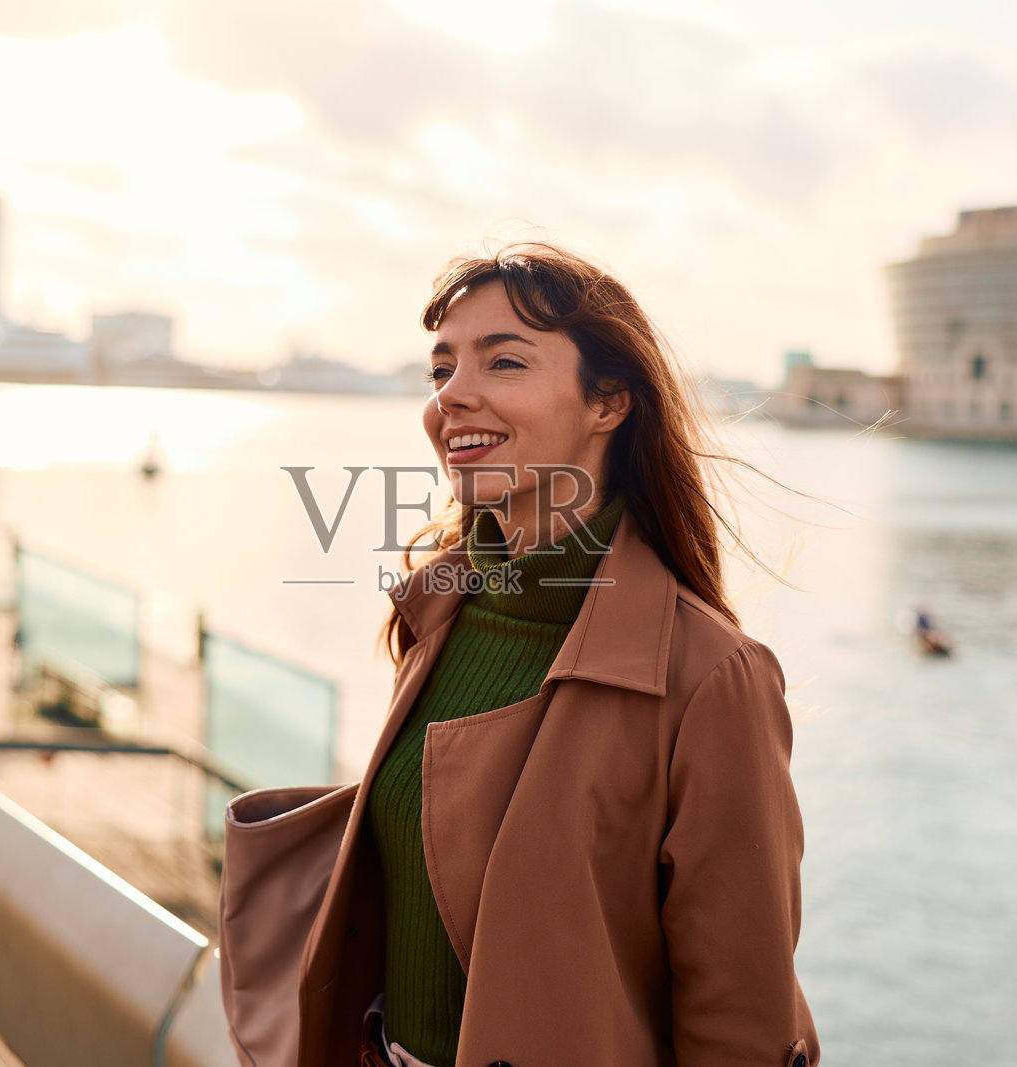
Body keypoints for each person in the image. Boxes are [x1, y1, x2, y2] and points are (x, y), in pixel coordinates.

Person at [296, 243, 819, 1067]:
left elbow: (744, 1023)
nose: (451, 396)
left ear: (609, 401)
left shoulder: (711, 676)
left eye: (503, 361)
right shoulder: (437, 609)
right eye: (441, 369)